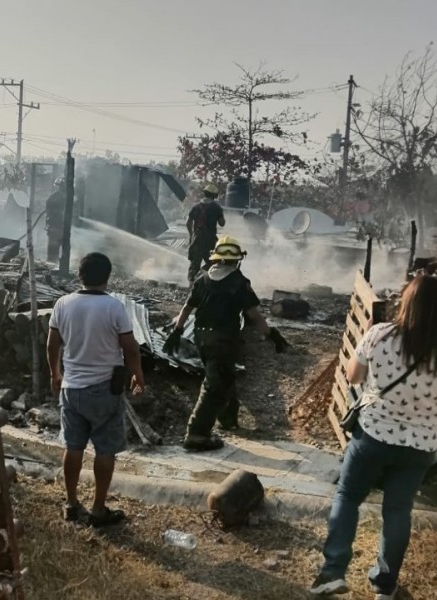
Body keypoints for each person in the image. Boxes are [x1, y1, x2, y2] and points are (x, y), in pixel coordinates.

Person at [310, 274, 437, 600]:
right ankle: (384, 586)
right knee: (397, 512)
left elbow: (354, 376)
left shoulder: (379, 335)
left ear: (405, 303)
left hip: (373, 436)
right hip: (419, 446)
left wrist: (368, 333)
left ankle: (333, 572)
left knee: (348, 497)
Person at [46, 252, 146, 527]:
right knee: (105, 450)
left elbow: (52, 344)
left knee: (73, 445)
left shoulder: (62, 304)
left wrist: (55, 373)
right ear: (107, 276)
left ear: (80, 275)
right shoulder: (114, 308)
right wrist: (138, 376)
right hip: (104, 390)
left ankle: (70, 503)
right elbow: (130, 348)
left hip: (71, 389)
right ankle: (98, 508)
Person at [164, 235, 289, 451]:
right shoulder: (240, 283)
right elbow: (254, 316)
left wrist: (177, 331)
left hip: (202, 338)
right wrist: (272, 335)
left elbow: (186, 308)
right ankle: (196, 434)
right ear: (236, 261)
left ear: (215, 259)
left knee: (223, 376)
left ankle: (228, 419)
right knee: (213, 386)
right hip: (224, 340)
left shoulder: (202, 279)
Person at [186, 183, 225, 283]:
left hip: (197, 239)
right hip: (210, 240)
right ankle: (204, 276)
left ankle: (192, 283)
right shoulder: (216, 208)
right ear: (215, 195)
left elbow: (188, 223)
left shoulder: (196, 207)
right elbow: (222, 223)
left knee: (194, 264)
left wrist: (191, 235)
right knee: (214, 261)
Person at [45, 177, 66, 263]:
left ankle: (63, 265)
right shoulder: (53, 198)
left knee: (66, 250)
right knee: (53, 251)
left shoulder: (68, 198)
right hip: (55, 227)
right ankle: (51, 266)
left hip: (64, 227)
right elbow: (50, 213)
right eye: (61, 187)